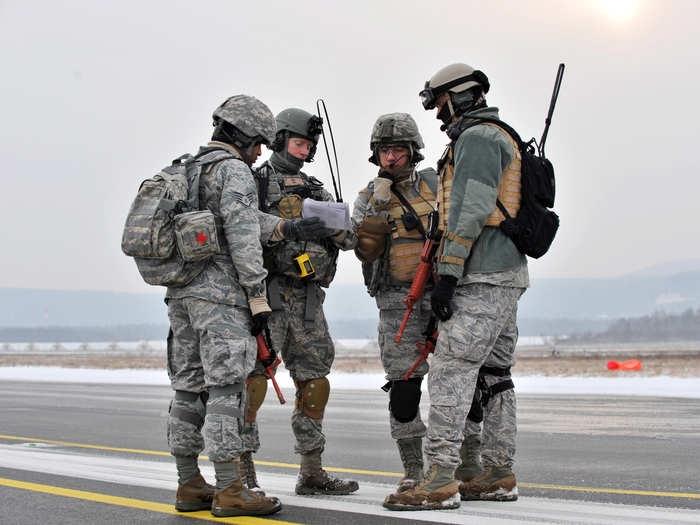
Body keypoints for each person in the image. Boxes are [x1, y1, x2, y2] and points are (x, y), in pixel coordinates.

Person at [165, 95, 328, 517]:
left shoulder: (186, 168)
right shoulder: (234, 171)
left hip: (181, 294)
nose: (260, 151)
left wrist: (287, 226)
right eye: (257, 142)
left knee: (187, 389)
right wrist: (257, 299)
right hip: (219, 298)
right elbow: (241, 236)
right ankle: (231, 487)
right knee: (226, 390)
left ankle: (189, 484)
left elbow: (242, 219)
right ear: (241, 134)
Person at [384, 63, 528, 511]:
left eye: (438, 102)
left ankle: (440, 477)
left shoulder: (479, 139)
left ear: (458, 97)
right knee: (495, 376)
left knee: (451, 369)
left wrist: (447, 275)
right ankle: (498, 473)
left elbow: (467, 212)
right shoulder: (495, 135)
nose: (437, 113)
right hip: (505, 275)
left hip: (482, 275)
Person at [240, 107, 359, 496]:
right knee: (254, 382)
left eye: (309, 145)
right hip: (268, 296)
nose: (304, 151)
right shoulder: (253, 184)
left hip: (308, 299)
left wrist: (338, 227)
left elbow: (352, 238)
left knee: (314, 382)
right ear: (278, 140)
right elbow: (239, 233)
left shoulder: (315, 189)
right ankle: (242, 472)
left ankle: (312, 471)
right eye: (297, 142)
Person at [351, 113, 436, 494]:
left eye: (398, 149)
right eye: (385, 150)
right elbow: (362, 250)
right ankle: (414, 470)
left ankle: (464, 463)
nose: (391, 158)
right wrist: (378, 210)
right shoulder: (369, 196)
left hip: (442, 298)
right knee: (404, 390)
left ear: (413, 150)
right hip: (395, 303)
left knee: (463, 385)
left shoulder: (436, 184)